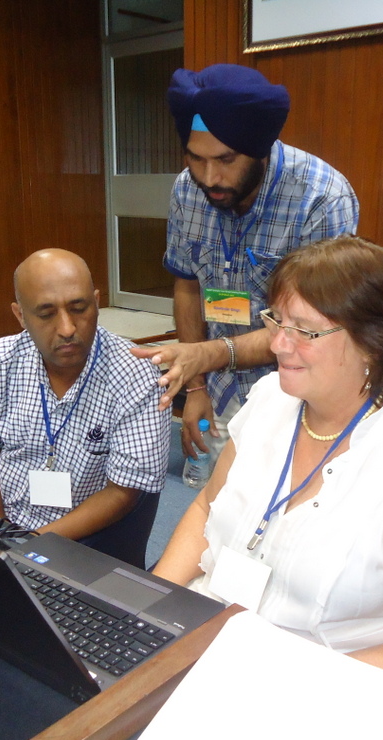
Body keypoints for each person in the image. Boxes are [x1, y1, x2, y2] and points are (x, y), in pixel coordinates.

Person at [152, 236, 383, 697]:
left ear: (373, 342)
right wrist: (151, 606)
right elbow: (205, 508)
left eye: (305, 331)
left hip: (320, 688)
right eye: (277, 321)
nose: (277, 344)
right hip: (204, 641)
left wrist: (283, 684)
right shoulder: (269, 400)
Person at [132, 63, 359, 463]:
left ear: (260, 149)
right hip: (218, 388)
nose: (209, 177)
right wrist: (196, 386)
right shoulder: (187, 191)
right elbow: (188, 285)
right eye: (196, 158)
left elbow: (309, 329)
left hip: (298, 394)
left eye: (226, 159)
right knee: (219, 493)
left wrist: (205, 355)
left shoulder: (321, 198)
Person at [0, 248, 170, 540]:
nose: (67, 329)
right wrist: (2, 538)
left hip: (83, 539)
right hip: (5, 524)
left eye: (79, 309)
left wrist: (30, 546)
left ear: (97, 303)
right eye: (46, 314)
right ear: (20, 315)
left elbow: (122, 493)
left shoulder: (136, 374)